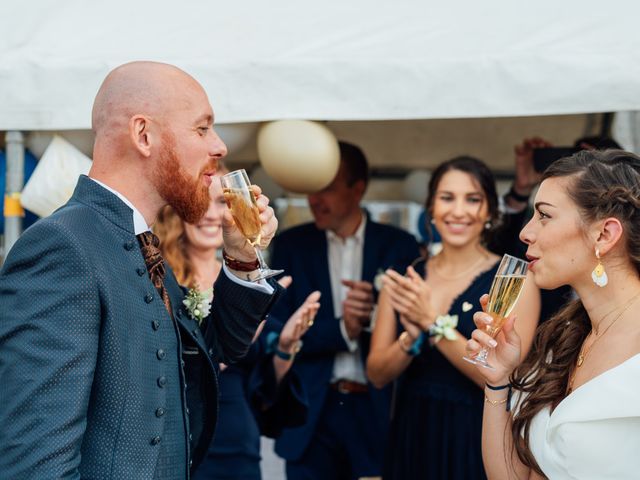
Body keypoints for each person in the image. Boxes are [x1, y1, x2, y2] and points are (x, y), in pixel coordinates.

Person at [0, 61, 284, 479]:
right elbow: (36, 464)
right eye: (202, 128)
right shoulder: (62, 247)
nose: (219, 146)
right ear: (143, 135)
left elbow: (211, 351)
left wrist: (240, 257)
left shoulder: (143, 244)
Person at [466, 149, 640, 479]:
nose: (525, 233)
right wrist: (498, 381)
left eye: (544, 216)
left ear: (604, 234)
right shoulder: (563, 340)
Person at [367, 156, 540, 479]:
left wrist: (434, 323)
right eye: (447, 198)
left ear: (489, 211)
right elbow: (376, 374)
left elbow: (504, 376)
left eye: (472, 199)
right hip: (412, 431)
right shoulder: (407, 279)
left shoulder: (515, 282)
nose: (458, 211)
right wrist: (411, 335)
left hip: (475, 434)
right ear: (431, 208)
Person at [154, 165, 321, 480]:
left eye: (222, 203)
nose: (212, 214)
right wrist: (234, 332)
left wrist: (284, 348)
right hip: (178, 429)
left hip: (236, 436)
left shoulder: (250, 282)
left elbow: (262, 385)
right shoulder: (161, 278)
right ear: (179, 209)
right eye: (202, 201)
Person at [268, 141, 421, 479]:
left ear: (357, 190)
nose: (314, 199)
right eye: (312, 189)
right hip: (311, 413)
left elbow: (414, 328)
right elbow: (277, 330)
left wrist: (372, 321)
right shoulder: (292, 245)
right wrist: (341, 329)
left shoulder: (399, 245)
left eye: (327, 188)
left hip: (376, 410)